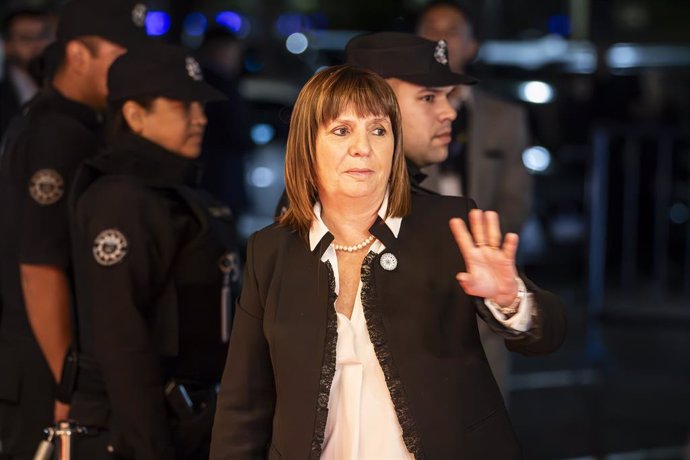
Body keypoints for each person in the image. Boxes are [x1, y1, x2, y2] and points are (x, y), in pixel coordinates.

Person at [210, 64, 565, 459]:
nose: (363, 147)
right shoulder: (270, 250)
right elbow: (243, 405)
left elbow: (549, 334)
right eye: (342, 130)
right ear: (307, 145)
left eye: (378, 130)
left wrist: (511, 300)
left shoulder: (448, 226)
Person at [69, 42, 241, 460]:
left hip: (186, 418)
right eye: (183, 107)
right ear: (135, 115)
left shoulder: (173, 190)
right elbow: (121, 338)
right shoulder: (122, 199)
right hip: (139, 430)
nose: (200, 118)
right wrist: (152, 448)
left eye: (200, 106)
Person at [0, 1, 146, 458]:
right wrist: (69, 383)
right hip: (47, 366)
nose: (132, 70)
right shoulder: (59, 132)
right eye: (121, 56)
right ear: (79, 55)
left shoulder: (70, 121)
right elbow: (39, 268)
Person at [417, 1, 534, 401]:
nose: (440, 38)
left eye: (451, 29)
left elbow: (516, 196)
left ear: (473, 45)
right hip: (418, 263)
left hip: (485, 262)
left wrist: (489, 246)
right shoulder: (399, 112)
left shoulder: (504, 116)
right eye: (430, 30)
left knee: (485, 391)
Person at [0, 6, 54, 137]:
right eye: (27, 38)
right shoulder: (3, 95)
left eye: (43, 36)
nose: (37, 44)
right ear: (7, 45)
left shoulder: (57, 87)